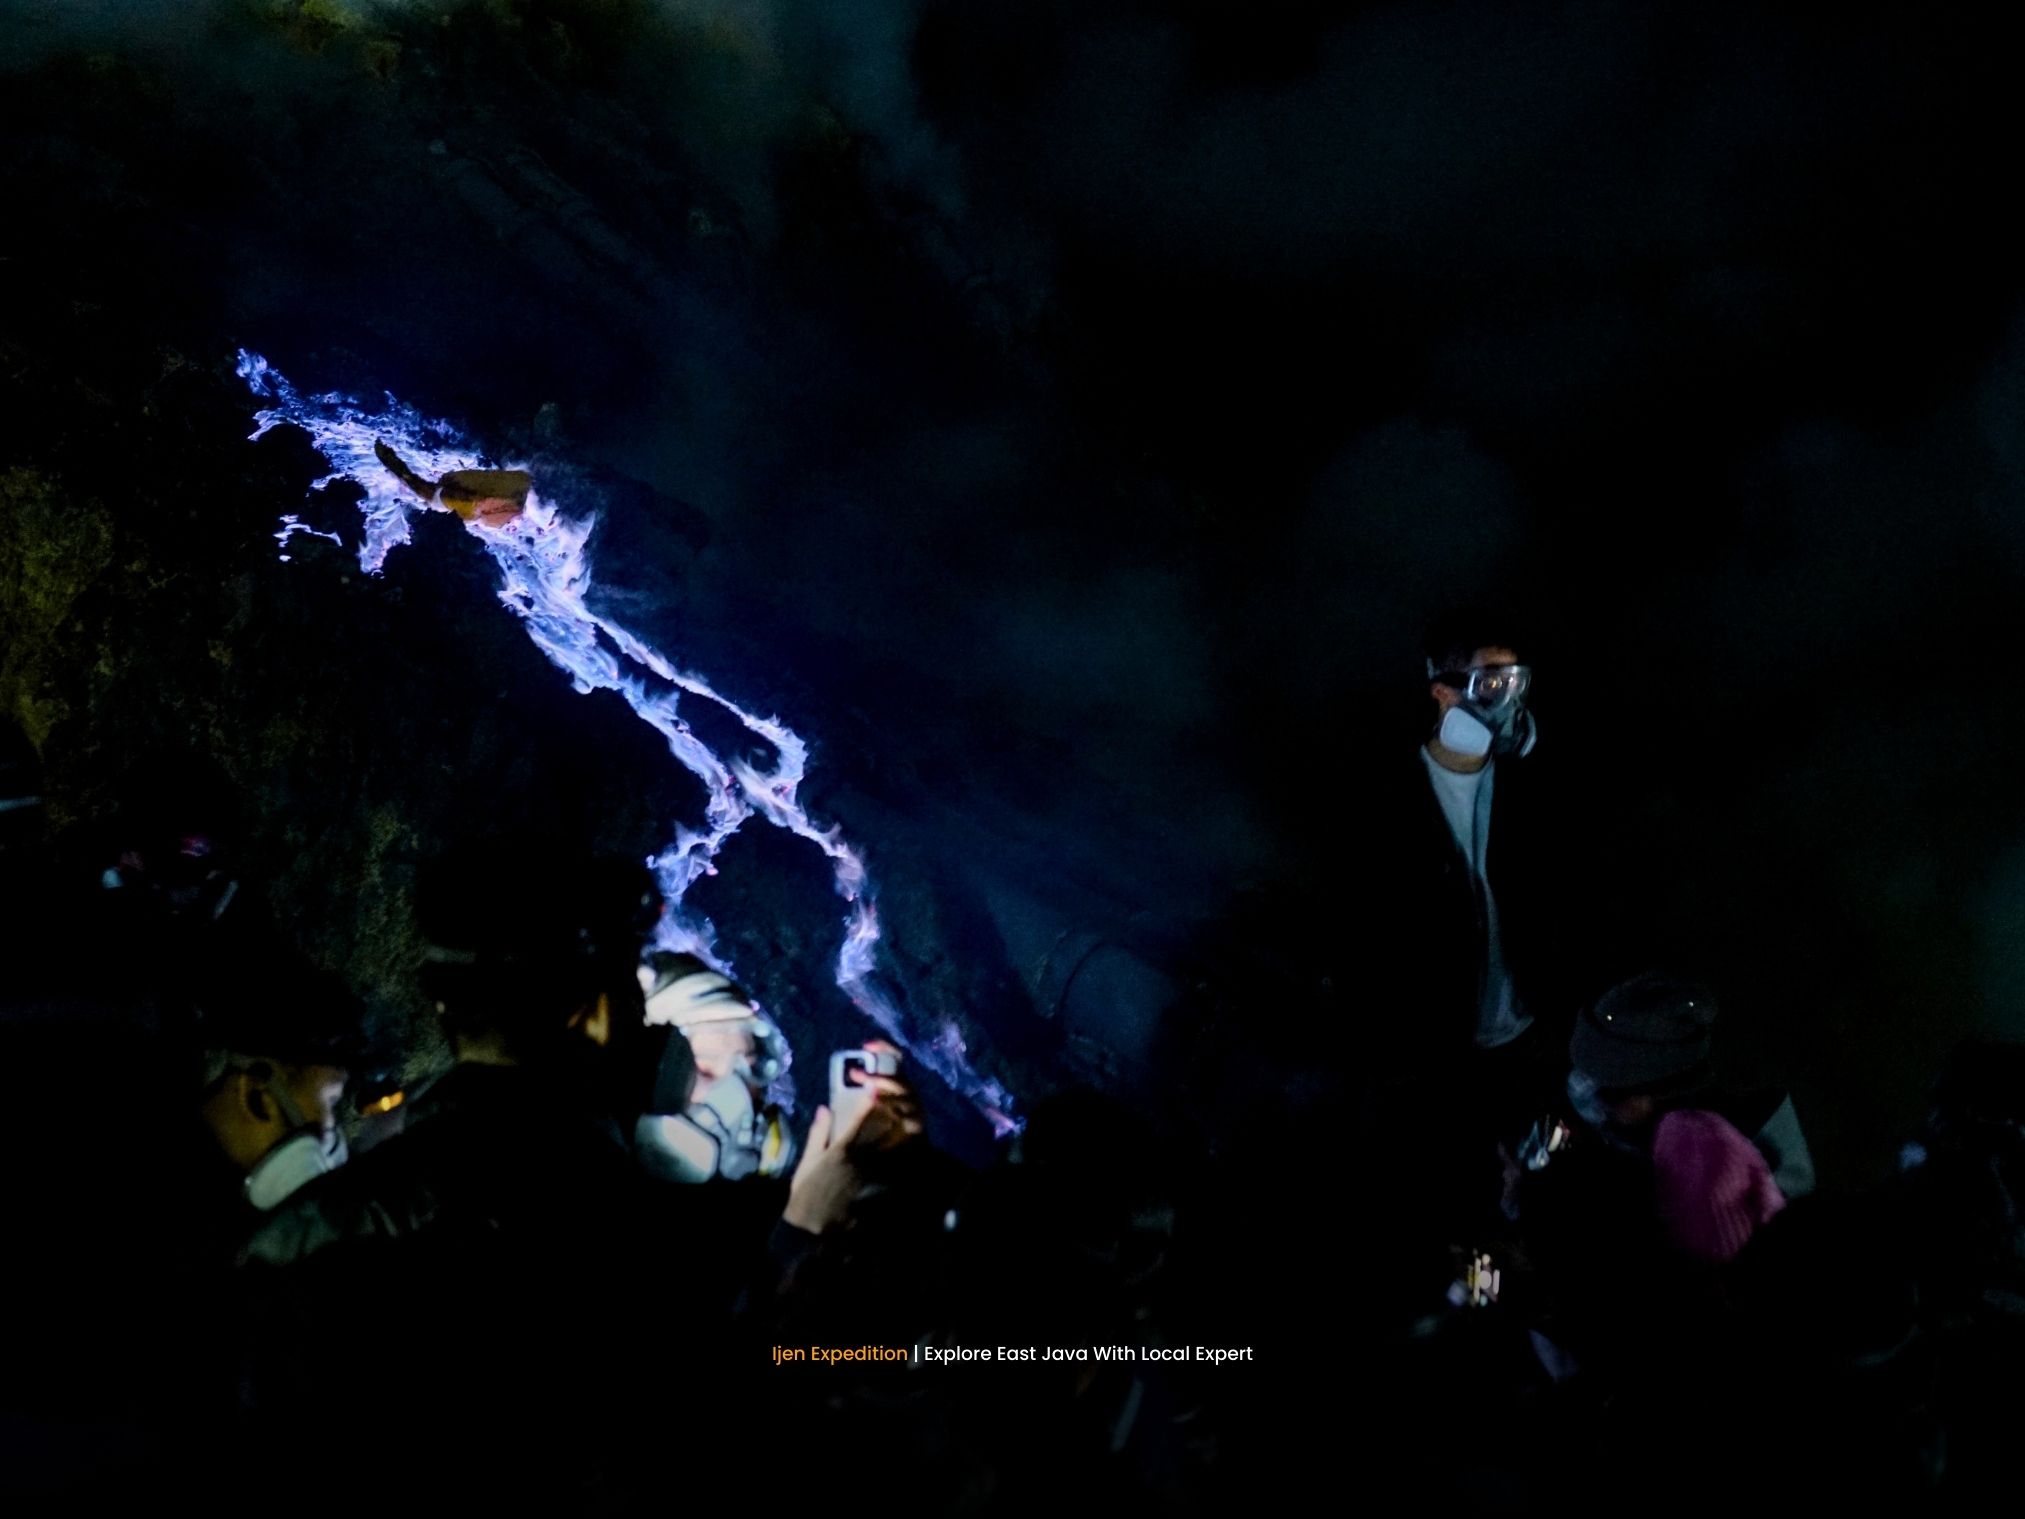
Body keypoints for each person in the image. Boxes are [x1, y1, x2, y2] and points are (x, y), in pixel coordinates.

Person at [374, 438, 531, 527]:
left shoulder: (441, 499)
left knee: (417, 484)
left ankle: (386, 456)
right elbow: (409, 479)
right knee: (416, 483)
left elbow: (409, 479)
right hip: (468, 502)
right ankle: (386, 456)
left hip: (469, 502)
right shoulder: (442, 498)